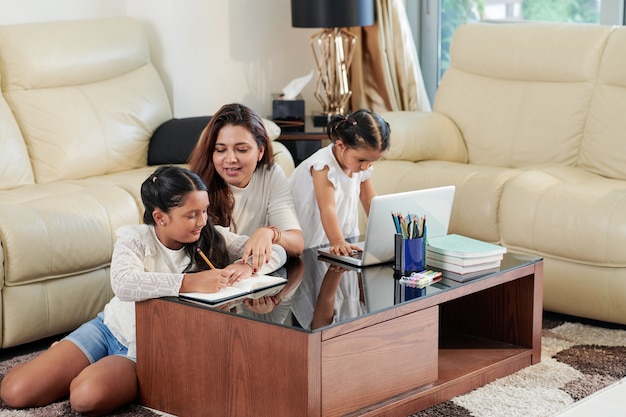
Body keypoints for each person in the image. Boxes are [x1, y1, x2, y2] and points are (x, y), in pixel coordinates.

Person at [0, 166, 286, 416]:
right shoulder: (135, 238)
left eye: (204, 211)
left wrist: (249, 263)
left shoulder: (211, 235)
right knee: (14, 392)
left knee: (85, 398)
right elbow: (123, 283)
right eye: (191, 215)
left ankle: (94, 370)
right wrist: (188, 282)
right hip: (109, 329)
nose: (202, 221)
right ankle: (70, 358)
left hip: (148, 349)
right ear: (160, 217)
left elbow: (278, 253)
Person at [188, 103, 304, 270]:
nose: (230, 159)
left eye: (241, 149)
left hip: (249, 279)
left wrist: (270, 233)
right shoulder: (195, 184)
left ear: (260, 151)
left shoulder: (270, 174)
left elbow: (296, 244)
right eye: (220, 150)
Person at [288, 109, 391, 253]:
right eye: (361, 159)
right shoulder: (322, 166)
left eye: (372, 162)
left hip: (344, 240)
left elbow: (370, 201)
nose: (366, 167)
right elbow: (327, 208)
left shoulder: (360, 167)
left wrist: (386, 233)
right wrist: (337, 241)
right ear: (340, 146)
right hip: (312, 243)